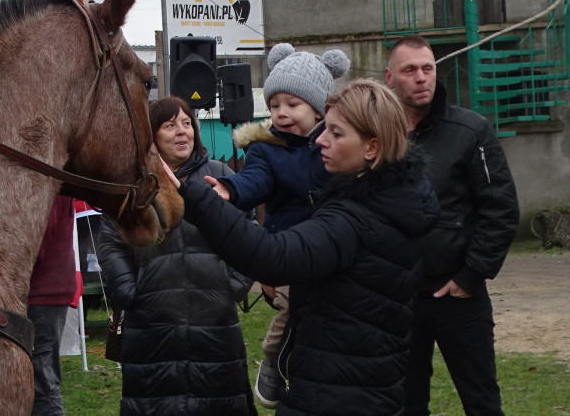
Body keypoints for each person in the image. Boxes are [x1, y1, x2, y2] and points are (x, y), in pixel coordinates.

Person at [168, 79, 440, 416]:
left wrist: (193, 196)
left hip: (335, 396)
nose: (320, 140)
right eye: (325, 128)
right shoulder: (399, 199)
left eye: (336, 134)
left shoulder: (356, 220)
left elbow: (272, 257)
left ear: (372, 148)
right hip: (364, 388)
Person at [96, 96, 256, 416]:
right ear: (150, 136)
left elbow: (247, 229)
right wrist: (131, 291)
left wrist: (232, 283)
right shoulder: (133, 185)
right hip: (152, 328)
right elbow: (111, 240)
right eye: (170, 126)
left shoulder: (219, 175)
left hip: (215, 326)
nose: (182, 132)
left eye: (186, 124)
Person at [385, 36, 519, 416]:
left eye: (428, 68)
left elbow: (501, 207)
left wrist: (472, 275)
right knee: (404, 403)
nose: (421, 77)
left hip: (458, 294)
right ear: (390, 77)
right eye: (410, 70)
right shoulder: (375, 133)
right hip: (398, 296)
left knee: (481, 401)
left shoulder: (470, 130)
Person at [217, 43, 349, 408]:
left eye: (293, 105)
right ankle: (274, 355)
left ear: (319, 107)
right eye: (275, 105)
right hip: (289, 248)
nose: (281, 113)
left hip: (333, 245)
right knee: (294, 303)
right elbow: (254, 181)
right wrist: (230, 189)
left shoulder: (338, 144)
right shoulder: (265, 149)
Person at [27, 195, 77, 416]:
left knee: (43, 380)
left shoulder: (49, 184)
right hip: (47, 289)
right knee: (41, 375)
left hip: (42, 291)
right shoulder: (55, 181)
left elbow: (36, 242)